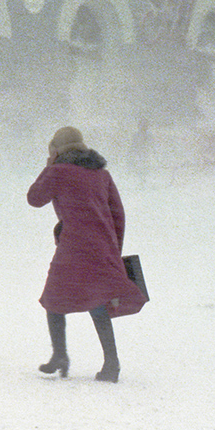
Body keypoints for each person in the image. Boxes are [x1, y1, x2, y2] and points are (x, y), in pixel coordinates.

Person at [27, 127, 146, 383]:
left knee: (54, 299)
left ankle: (60, 356)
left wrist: (48, 167)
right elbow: (118, 214)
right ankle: (111, 364)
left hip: (74, 247)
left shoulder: (58, 172)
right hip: (101, 245)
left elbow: (34, 198)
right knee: (97, 300)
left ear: (56, 150)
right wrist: (114, 249)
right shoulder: (101, 174)